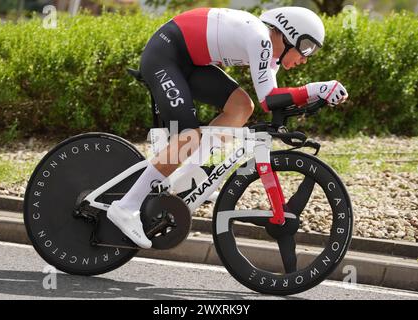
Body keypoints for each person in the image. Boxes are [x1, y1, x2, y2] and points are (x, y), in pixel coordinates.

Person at [107, 6, 349, 248]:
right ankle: (126, 206)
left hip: (188, 62)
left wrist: (317, 97)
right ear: (289, 34)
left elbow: (272, 101)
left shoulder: (270, 56)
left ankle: (193, 174)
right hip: (165, 56)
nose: (306, 58)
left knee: (242, 106)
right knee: (188, 137)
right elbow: (270, 99)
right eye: (306, 48)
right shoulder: (261, 39)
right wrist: (317, 89)